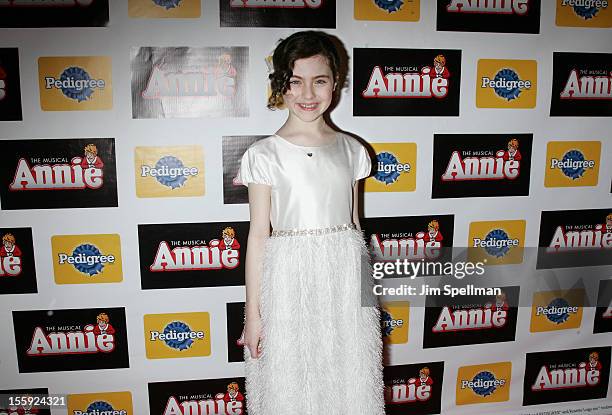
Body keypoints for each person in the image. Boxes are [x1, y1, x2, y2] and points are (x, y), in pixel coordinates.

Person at [235, 31, 384, 414]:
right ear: (281, 84)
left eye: (319, 81)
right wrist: (253, 315)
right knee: (290, 378)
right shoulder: (264, 154)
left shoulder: (353, 150)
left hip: (344, 280)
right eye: (295, 81)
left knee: (348, 375)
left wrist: (366, 300)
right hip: (287, 282)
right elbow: (257, 236)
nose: (308, 93)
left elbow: (354, 228)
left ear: (335, 83)